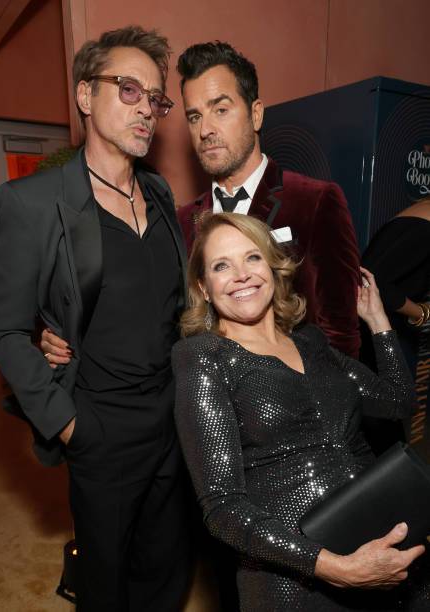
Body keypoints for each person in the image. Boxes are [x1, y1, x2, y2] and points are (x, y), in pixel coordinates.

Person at [0, 26, 192, 612]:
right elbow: (5, 331)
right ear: (84, 95)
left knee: (167, 571)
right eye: (129, 89)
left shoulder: (159, 194)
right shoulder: (32, 203)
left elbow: (174, 309)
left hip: (172, 421)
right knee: (106, 584)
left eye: (155, 98)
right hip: (100, 429)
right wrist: (69, 424)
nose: (146, 109)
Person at [171, 211, 430, 611]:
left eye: (253, 257)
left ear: (273, 268)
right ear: (203, 287)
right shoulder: (204, 357)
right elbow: (222, 508)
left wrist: (379, 322)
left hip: (383, 547)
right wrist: (336, 568)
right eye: (222, 266)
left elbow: (397, 402)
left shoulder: (311, 342)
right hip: (296, 582)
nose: (242, 274)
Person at [176, 41, 361, 358]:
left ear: (256, 114)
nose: (205, 130)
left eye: (221, 110)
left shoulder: (315, 201)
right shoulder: (182, 222)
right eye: (194, 117)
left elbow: (340, 336)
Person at [361, 197, 430, 455]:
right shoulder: (423, 225)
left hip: (377, 332)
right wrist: (421, 313)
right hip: (370, 334)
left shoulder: (421, 217)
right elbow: (372, 280)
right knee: (382, 435)